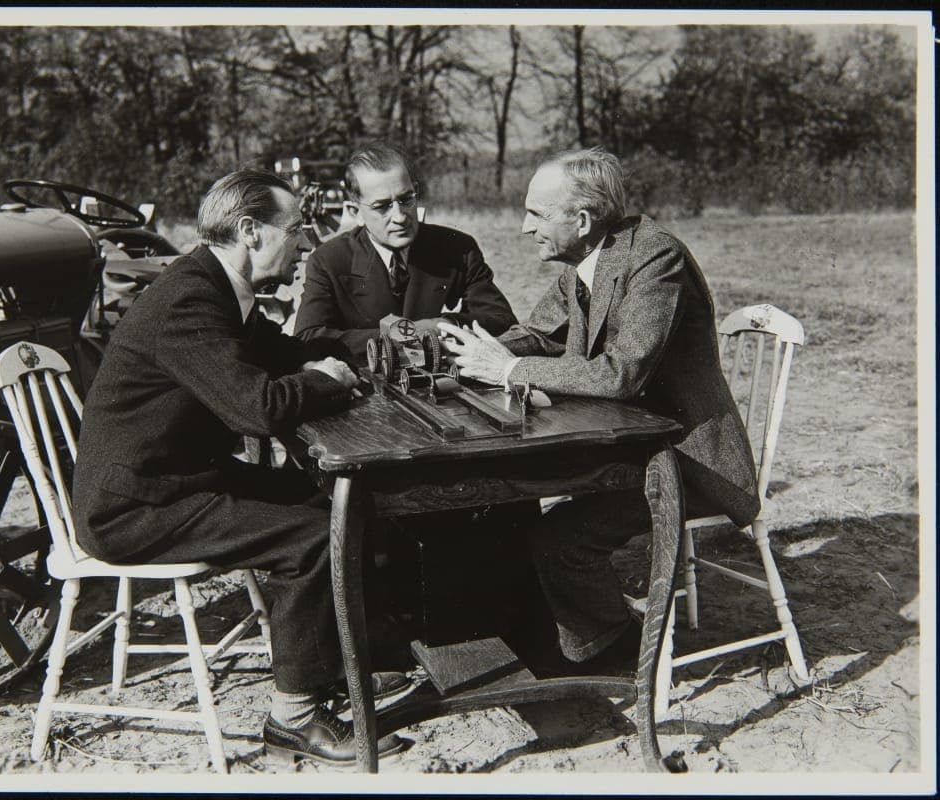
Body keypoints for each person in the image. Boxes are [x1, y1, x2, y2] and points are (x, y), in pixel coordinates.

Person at [72, 168, 407, 765]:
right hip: (135, 507)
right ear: (251, 231)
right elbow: (257, 408)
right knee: (314, 536)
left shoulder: (214, 284)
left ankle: (336, 666)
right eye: (296, 230)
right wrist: (327, 382)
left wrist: (362, 352)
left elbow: (282, 351)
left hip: (177, 480)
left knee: (333, 503)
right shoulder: (189, 301)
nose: (305, 244)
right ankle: (293, 719)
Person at [439, 147, 760, 669]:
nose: (525, 227)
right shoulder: (588, 260)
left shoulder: (655, 257)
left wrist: (508, 370)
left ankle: (616, 651)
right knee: (509, 498)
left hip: (686, 462)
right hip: (629, 447)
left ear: (582, 220)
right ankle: (538, 629)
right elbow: (538, 335)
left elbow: (621, 372)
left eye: (537, 214)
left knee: (558, 540)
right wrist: (462, 350)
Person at [293, 142, 518, 359]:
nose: (400, 217)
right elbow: (309, 337)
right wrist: (402, 335)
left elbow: (501, 319)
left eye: (406, 199)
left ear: (415, 191)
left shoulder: (458, 248)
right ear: (355, 212)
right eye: (382, 207)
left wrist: (445, 325)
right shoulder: (329, 261)